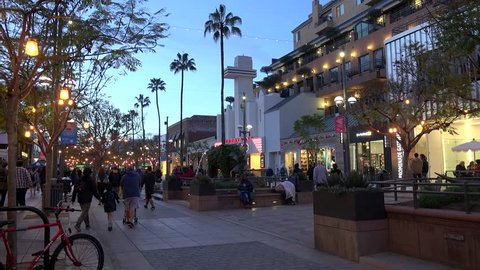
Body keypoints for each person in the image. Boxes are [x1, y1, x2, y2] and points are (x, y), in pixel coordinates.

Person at [71, 167, 100, 232]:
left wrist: (73, 199)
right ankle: (78, 225)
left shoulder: (80, 179)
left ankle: (87, 224)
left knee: (85, 212)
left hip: (80, 198)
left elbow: (75, 190)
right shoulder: (91, 180)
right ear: (89, 173)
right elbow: (94, 191)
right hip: (87, 199)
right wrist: (99, 198)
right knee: (85, 212)